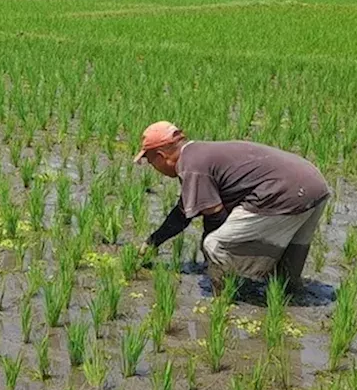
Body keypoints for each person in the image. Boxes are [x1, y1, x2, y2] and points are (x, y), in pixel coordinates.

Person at [135, 121, 334, 305]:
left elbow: (215, 218)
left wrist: (211, 259)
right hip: (314, 184)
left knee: (215, 245)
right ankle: (292, 298)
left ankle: (223, 301)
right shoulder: (200, 154)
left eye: (151, 162)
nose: (153, 167)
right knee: (287, 272)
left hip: (286, 192)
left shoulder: (192, 167)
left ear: (161, 156)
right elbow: (182, 214)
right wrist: (152, 242)